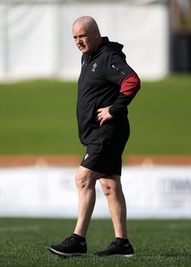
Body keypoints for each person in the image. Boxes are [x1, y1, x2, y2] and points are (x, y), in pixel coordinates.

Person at [48, 16, 141, 257]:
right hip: (97, 133)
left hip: (106, 132)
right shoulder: (88, 57)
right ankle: (123, 243)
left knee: (83, 178)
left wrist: (114, 109)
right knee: (109, 185)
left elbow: (132, 81)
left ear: (96, 34)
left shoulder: (108, 57)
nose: (78, 41)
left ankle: (78, 240)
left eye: (82, 36)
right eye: (75, 37)